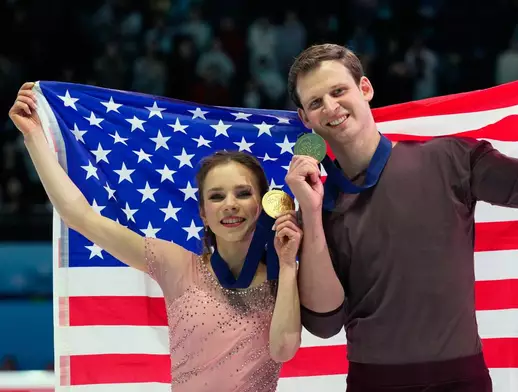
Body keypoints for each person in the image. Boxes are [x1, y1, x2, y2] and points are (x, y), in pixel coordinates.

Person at [284, 44, 518, 391]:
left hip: (460, 381)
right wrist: (310, 213)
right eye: (315, 102)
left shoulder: (448, 160)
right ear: (305, 119)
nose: (331, 107)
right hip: (373, 382)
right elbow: (324, 324)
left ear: (364, 88)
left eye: (338, 91)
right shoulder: (318, 203)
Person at [9, 82, 303, 392]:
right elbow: (80, 216)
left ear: (261, 204)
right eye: (216, 196)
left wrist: (286, 267)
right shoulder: (176, 264)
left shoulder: (279, 277)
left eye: (242, 193)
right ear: (203, 213)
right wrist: (33, 137)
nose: (230, 203)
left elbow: (283, 350)